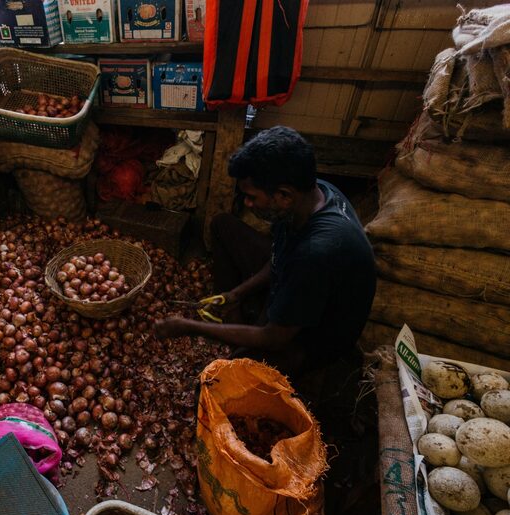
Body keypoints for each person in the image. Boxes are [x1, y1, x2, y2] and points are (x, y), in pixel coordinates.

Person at [154, 126, 376, 377]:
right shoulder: (312, 193)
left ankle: (244, 337)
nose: (246, 204)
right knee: (222, 225)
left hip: (311, 337)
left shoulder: (316, 253)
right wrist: (237, 293)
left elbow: (274, 338)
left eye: (251, 197)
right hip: (299, 282)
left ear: (284, 195)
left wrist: (189, 327)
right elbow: (278, 257)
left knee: (228, 374)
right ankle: (237, 315)